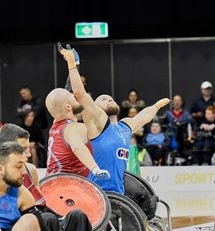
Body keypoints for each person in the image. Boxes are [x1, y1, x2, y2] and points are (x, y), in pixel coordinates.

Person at [59, 44, 170, 194]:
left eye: (111, 98)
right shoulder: (96, 122)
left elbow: (143, 117)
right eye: (104, 99)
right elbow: (79, 93)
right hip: (96, 193)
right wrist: (72, 65)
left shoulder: (124, 127)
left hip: (118, 194)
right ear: (95, 107)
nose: (109, 99)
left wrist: (156, 106)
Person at [0, 123, 91, 231]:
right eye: (23, 151)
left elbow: (41, 216)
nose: (28, 155)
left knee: (73, 216)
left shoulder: (23, 188)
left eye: (27, 150)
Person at [45, 88, 110, 179]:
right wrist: (95, 169)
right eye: (72, 96)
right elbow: (77, 147)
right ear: (68, 107)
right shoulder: (75, 127)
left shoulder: (54, 127)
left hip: (49, 183)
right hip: (66, 184)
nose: (75, 96)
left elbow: (56, 108)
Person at [0, 141, 40, 231]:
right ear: (1, 168)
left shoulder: (22, 193)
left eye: (24, 166)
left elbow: (42, 227)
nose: (24, 172)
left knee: (31, 220)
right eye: (18, 167)